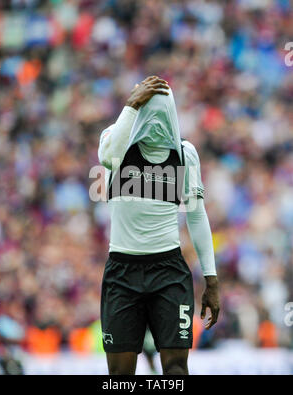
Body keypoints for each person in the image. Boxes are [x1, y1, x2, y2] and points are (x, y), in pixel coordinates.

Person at [98, 76, 220, 375]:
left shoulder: (184, 153)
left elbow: (196, 215)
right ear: (136, 107)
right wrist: (130, 105)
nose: (153, 115)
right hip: (122, 272)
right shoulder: (116, 141)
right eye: (144, 106)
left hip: (168, 271)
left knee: (176, 369)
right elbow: (107, 159)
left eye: (158, 107)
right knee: (120, 374)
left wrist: (211, 279)